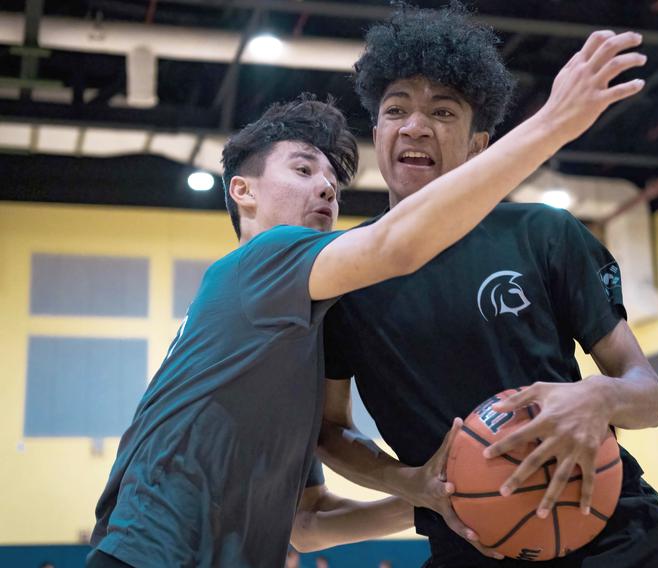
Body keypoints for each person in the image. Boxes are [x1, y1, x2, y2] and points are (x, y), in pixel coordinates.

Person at [88, 59, 611, 567]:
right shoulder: (258, 263)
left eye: (334, 181)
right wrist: (550, 125)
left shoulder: (292, 341)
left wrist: (446, 491)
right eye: (302, 168)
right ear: (242, 192)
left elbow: (309, 525)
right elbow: (397, 244)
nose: (326, 187)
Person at [318, 5, 658, 567]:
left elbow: (649, 396)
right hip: (467, 542)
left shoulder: (543, 234)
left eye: (443, 111)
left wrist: (597, 396)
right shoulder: (341, 273)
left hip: (618, 534)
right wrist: (411, 483)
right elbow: (329, 432)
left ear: (480, 145)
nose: (415, 125)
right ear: (377, 132)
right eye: (396, 109)